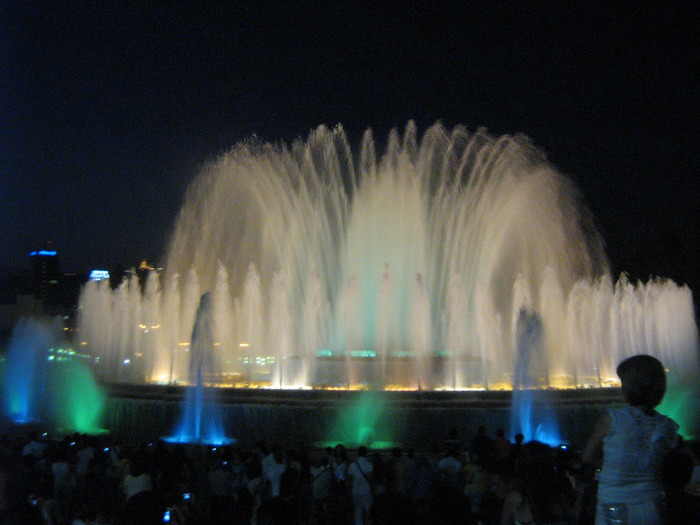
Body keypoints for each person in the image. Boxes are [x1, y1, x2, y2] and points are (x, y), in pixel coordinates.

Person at [583, 354, 680, 525]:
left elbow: (588, 457)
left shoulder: (613, 419)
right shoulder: (668, 426)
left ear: (629, 387)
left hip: (615, 506)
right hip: (654, 505)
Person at [347, 446, 374, 525]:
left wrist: (349, 490)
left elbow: (349, 479)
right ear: (366, 453)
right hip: (366, 492)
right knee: (369, 511)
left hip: (356, 491)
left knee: (357, 512)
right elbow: (370, 478)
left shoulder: (352, 465)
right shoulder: (369, 464)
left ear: (358, 453)